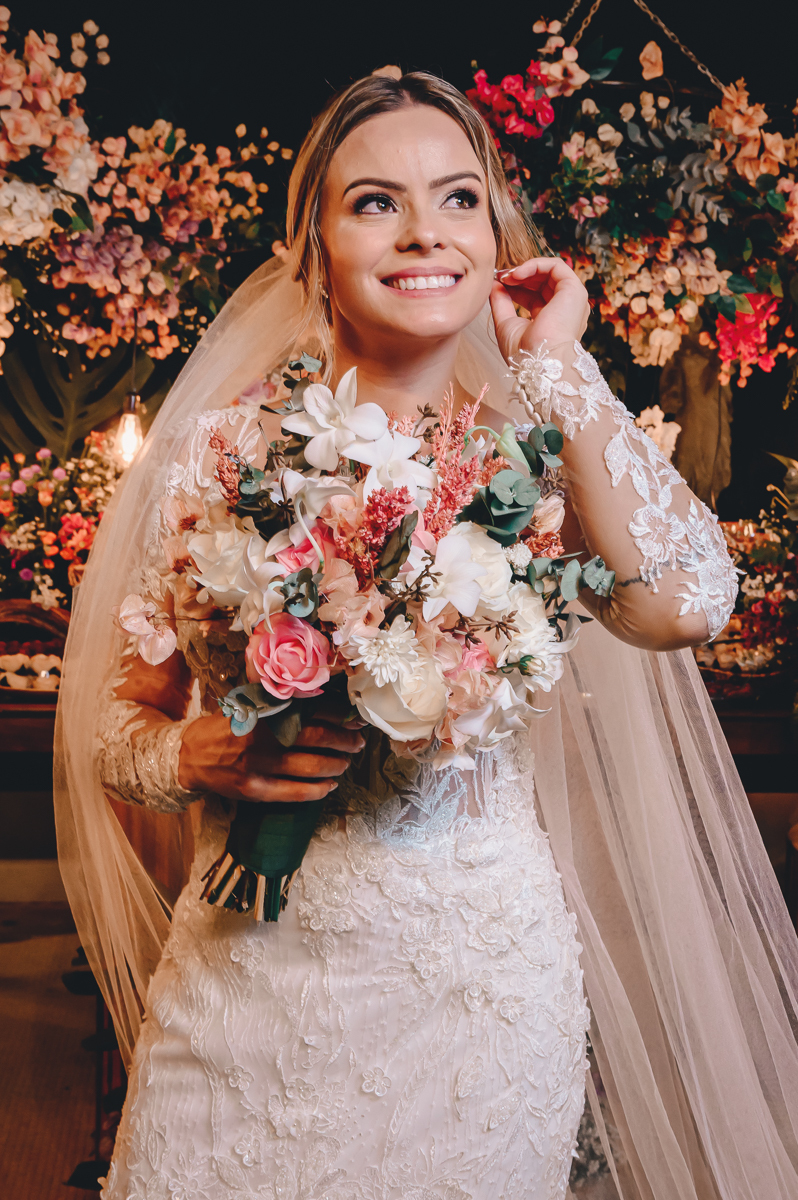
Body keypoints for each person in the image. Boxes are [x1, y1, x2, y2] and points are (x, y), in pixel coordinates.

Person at [54, 72, 798, 1200]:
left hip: (473, 997)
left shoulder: (539, 465)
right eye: (374, 203)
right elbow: (116, 722)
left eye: (459, 199)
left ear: (498, 239)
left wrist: (558, 362)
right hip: (248, 985)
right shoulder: (216, 458)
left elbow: (687, 603)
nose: (423, 233)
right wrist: (193, 757)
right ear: (312, 247)